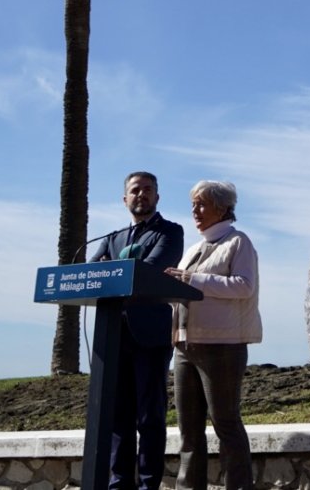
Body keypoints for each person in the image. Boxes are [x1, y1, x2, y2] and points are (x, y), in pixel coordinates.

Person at [164, 180, 262, 490]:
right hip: (183, 346)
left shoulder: (238, 242)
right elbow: (188, 290)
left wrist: (192, 279)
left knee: (226, 425)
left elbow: (244, 286)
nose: (194, 210)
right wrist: (167, 287)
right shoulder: (193, 249)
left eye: (201, 204)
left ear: (222, 208)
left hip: (222, 346)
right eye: (193, 204)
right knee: (188, 432)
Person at [90, 172, 185, 490]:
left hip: (149, 336)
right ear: (125, 199)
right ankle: (119, 485)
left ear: (157, 196)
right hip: (113, 336)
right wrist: (112, 268)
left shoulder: (169, 232)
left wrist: (113, 267)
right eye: (135, 190)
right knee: (118, 417)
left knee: (149, 417)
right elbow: (92, 271)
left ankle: (148, 485)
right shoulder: (113, 237)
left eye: (148, 190)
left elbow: (151, 269)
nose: (141, 194)